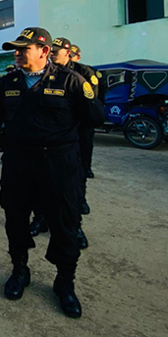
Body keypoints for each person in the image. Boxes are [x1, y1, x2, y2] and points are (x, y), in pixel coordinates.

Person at [0, 27, 105, 318]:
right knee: (15, 219)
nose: (17, 53)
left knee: (64, 224)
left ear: (44, 51)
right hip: (18, 164)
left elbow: (94, 116)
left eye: (23, 48)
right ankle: (20, 270)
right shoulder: (8, 82)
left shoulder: (71, 81)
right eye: (15, 49)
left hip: (58, 165)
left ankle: (64, 282)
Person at [50, 37, 100, 248]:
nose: (52, 53)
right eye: (51, 50)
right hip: (54, 135)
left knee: (78, 174)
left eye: (56, 51)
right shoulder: (47, 73)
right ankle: (42, 219)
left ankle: (77, 218)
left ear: (68, 52)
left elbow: (92, 106)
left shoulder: (84, 72)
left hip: (79, 132)